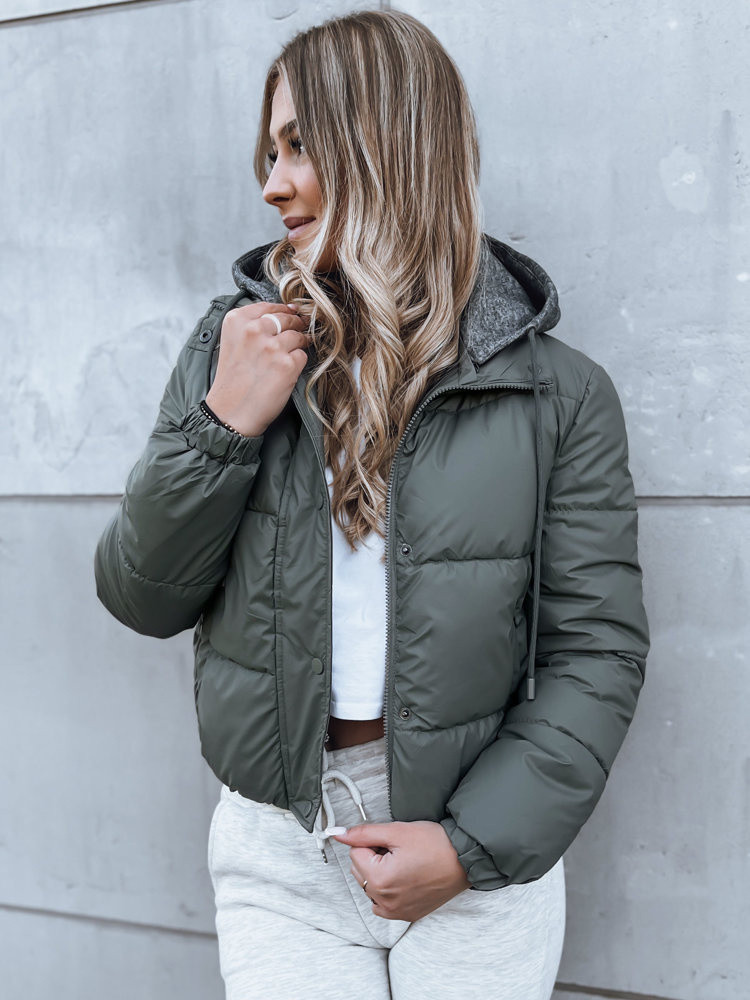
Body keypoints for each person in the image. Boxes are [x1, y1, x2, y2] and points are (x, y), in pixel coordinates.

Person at [94, 8, 649, 999]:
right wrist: (225, 424)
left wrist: (471, 845)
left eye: (300, 145)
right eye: (269, 153)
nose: (272, 183)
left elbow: (597, 648)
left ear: (392, 140)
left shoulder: (559, 394)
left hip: (472, 852)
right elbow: (142, 596)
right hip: (280, 855)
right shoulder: (234, 350)